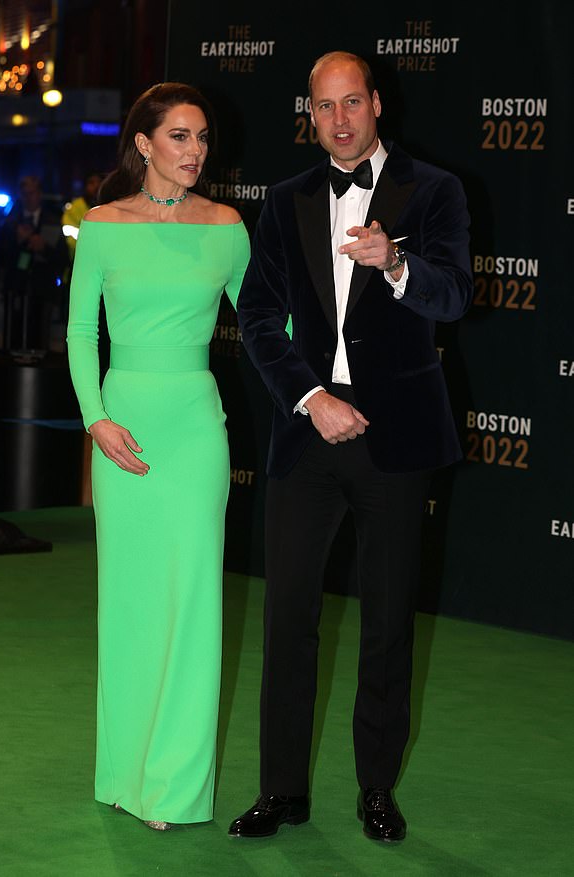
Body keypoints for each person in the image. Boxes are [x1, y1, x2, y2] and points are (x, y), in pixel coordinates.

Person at [228, 51, 472, 842]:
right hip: (309, 429)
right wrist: (310, 396)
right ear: (309, 113)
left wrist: (397, 262)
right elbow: (259, 319)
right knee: (289, 616)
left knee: (388, 619)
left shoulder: (433, 191)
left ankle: (375, 788)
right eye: (323, 107)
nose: (338, 119)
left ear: (376, 104)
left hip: (395, 437)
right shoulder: (285, 200)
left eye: (351, 103)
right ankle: (282, 791)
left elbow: (457, 295)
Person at [67, 82, 249, 830]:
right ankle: (123, 769)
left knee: (194, 601)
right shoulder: (103, 227)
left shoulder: (229, 226)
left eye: (202, 137)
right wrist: (96, 421)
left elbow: (273, 323)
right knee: (133, 599)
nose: (195, 151)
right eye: (179, 137)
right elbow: (80, 334)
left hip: (195, 427)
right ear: (143, 144)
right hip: (124, 422)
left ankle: (172, 785)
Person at [0, 175, 68, 351]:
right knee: (14, 338)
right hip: (17, 288)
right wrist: (18, 240)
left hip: (42, 289)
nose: (28, 197)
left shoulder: (52, 220)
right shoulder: (11, 220)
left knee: (40, 339)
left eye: (32, 193)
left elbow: (63, 257)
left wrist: (43, 248)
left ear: (39, 194)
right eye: (25, 193)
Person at [61, 171, 102, 262]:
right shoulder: (74, 208)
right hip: (78, 262)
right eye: (91, 183)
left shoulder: (108, 208)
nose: (96, 186)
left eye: (99, 182)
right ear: (85, 186)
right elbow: (71, 238)